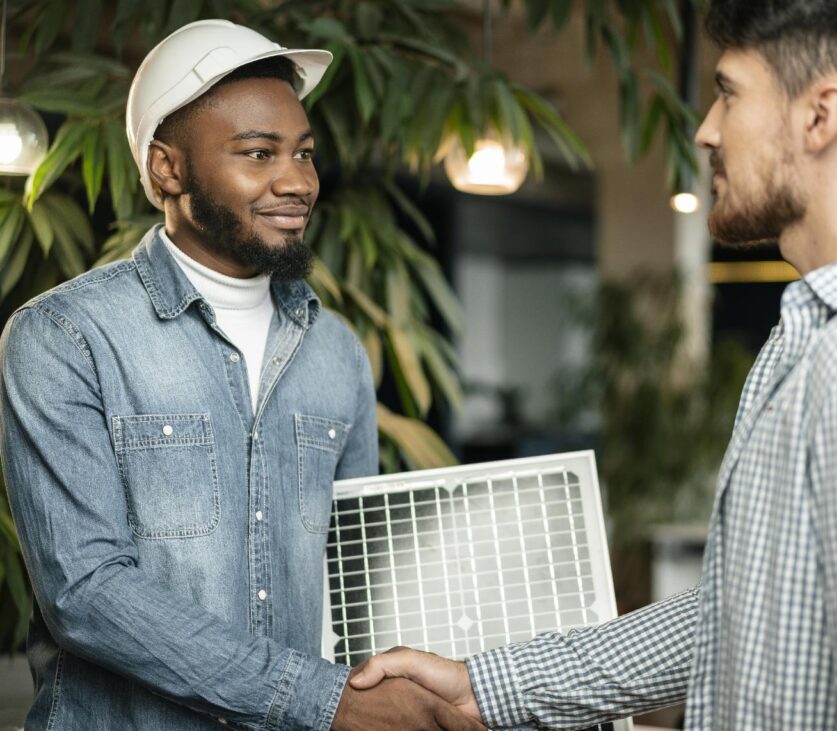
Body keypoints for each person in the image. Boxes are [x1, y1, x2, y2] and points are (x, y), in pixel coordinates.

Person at [349, 0, 837, 728]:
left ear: (821, 116)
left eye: (729, 91)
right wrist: (488, 684)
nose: (704, 128)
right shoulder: (831, 335)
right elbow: (740, 611)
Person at [0, 19, 481, 731]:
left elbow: (357, 579)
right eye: (258, 154)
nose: (297, 183)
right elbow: (87, 592)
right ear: (168, 169)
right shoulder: (64, 337)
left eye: (305, 154)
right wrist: (325, 700)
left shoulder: (338, 351)